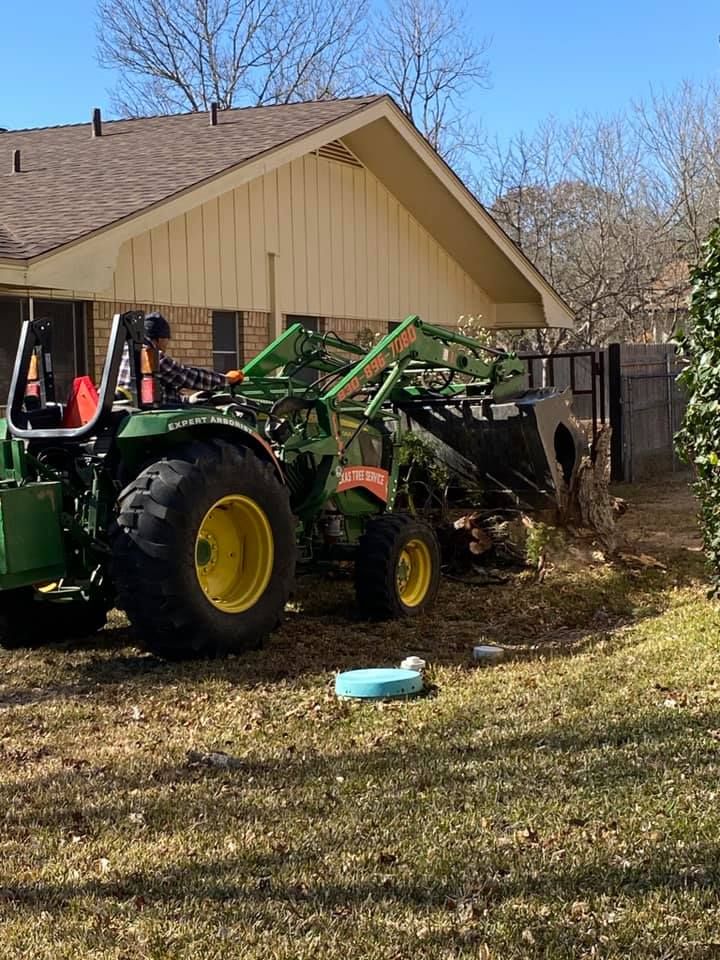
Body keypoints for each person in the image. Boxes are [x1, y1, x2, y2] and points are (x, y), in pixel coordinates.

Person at [117, 312, 242, 405]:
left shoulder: (122, 353)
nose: (166, 344)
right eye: (167, 340)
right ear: (160, 339)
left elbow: (163, 390)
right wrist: (227, 379)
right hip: (146, 413)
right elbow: (188, 376)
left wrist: (188, 399)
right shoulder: (150, 356)